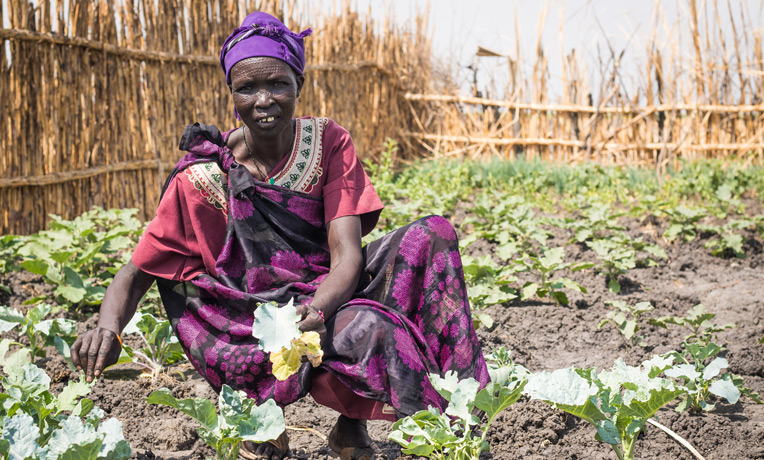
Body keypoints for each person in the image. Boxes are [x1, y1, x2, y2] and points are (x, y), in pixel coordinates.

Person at [71, 11, 488, 460]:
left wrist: (317, 310)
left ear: (298, 86)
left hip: (328, 293)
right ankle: (261, 418)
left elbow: (346, 257)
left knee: (433, 235)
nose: (264, 100)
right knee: (373, 328)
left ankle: (438, 422)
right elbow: (138, 270)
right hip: (252, 320)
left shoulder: (327, 142)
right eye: (247, 88)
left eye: (278, 84)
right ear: (232, 95)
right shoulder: (203, 177)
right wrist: (107, 329)